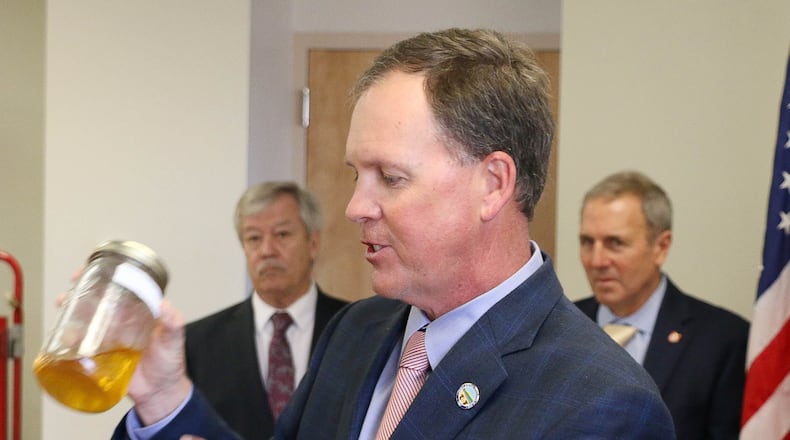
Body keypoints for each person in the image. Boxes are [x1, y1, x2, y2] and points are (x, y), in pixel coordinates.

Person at [113, 28, 675, 439]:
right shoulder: (357, 331)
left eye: (392, 178)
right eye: (358, 175)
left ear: (493, 183)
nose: (356, 207)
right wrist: (165, 399)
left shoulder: (604, 406)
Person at [574, 170, 749, 440]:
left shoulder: (722, 341)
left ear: (661, 247)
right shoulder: (561, 324)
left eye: (615, 243)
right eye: (587, 242)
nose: (596, 261)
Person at [181, 181, 348, 439]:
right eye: (254, 238)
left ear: (313, 243)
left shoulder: (355, 329)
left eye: (282, 234)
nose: (267, 251)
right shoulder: (196, 342)